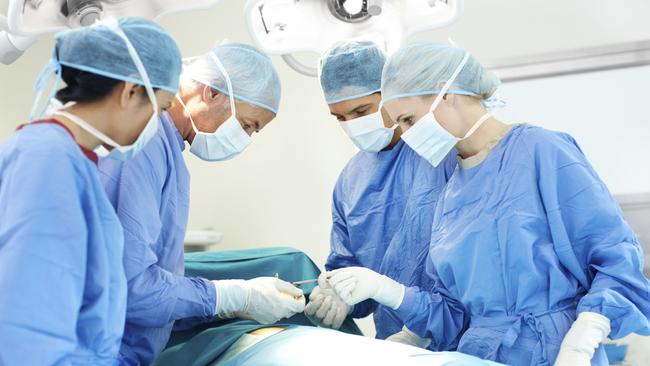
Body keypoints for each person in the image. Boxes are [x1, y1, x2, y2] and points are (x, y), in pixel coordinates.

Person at [325, 41, 650, 366]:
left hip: (556, 349)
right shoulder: (451, 189)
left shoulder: (542, 151)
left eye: (409, 120)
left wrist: (584, 337)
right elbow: (452, 311)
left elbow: (615, 256)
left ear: (446, 93)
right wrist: (389, 294)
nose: (407, 136)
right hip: (479, 354)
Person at [98, 43, 305, 366]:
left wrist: (230, 305)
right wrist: (231, 296)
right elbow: (133, 290)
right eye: (248, 124)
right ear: (211, 93)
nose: (245, 137)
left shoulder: (164, 148)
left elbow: (152, 293)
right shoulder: (140, 142)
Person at [0, 18, 182, 364]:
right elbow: (28, 337)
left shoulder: (74, 161)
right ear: (130, 91)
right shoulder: (47, 160)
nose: (156, 124)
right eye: (159, 109)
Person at [304, 40, 458, 349]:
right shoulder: (350, 181)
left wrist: (423, 330)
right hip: (394, 343)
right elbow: (349, 269)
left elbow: (475, 262)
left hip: (458, 339)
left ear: (390, 94)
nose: (352, 125)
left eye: (361, 111)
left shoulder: (442, 153)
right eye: (340, 117)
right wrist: (341, 297)